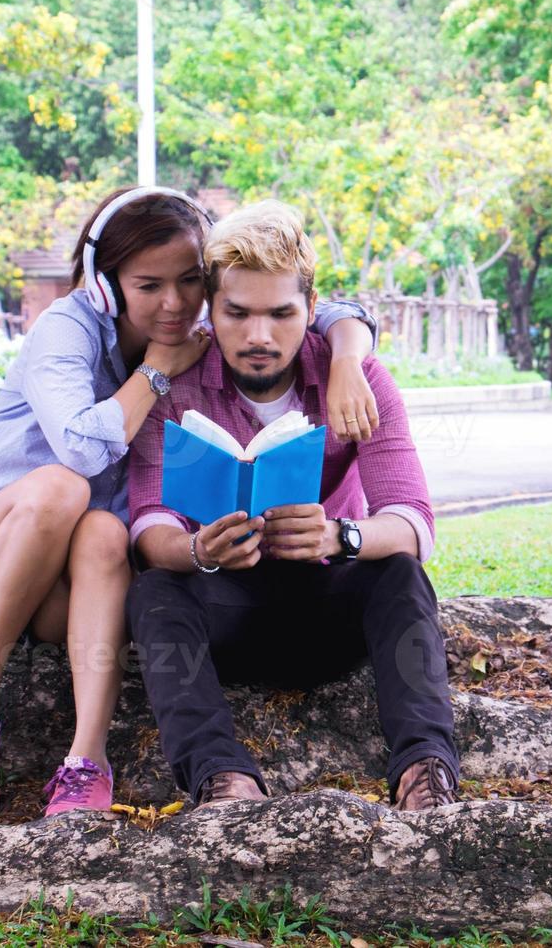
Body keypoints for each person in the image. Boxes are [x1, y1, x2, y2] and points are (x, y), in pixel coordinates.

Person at [0, 186, 382, 822]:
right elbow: (78, 449)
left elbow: (311, 302)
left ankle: (85, 758)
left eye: (190, 282)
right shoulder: (69, 327)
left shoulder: (209, 330)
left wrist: (348, 356)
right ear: (107, 284)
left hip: (68, 581)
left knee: (104, 531)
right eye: (149, 284)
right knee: (64, 489)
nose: (175, 303)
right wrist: (155, 370)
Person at [125, 199, 459, 812]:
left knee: (401, 572)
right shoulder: (177, 387)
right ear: (211, 311)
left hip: (329, 606)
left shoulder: (354, 375)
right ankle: (222, 778)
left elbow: (413, 520)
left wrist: (341, 537)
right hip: (228, 608)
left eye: (281, 314)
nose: (258, 336)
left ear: (311, 309)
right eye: (238, 313)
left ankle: (424, 768)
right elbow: (149, 521)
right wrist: (196, 548)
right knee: (154, 589)